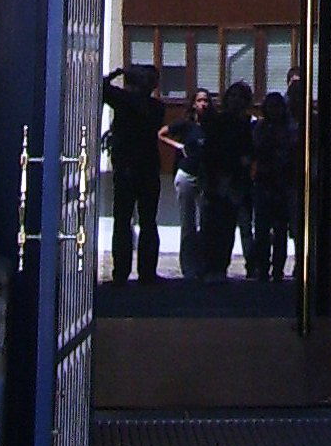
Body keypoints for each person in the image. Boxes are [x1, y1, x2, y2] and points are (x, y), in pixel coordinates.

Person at [100, 64, 166, 283]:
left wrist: (118, 74)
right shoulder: (154, 106)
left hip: (136, 167)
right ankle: (137, 272)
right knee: (136, 221)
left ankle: (128, 272)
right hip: (138, 167)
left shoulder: (136, 103)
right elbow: (98, 89)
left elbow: (100, 87)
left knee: (132, 221)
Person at [199, 80, 254, 278]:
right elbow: (209, 151)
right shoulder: (217, 121)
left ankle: (221, 267)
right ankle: (208, 267)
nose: (236, 100)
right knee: (211, 225)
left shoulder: (246, 125)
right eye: (233, 96)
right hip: (215, 179)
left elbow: (248, 153)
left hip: (235, 181)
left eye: (241, 97)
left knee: (229, 226)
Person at [161, 85, 212, 278]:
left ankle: (205, 264)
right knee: (188, 223)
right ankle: (188, 267)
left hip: (206, 177)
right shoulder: (186, 125)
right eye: (199, 101)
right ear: (193, 104)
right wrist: (178, 146)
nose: (203, 104)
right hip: (187, 176)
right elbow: (162, 134)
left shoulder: (212, 126)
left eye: (206, 100)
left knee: (207, 222)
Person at [252, 88, 295, 282]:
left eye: (278, 107)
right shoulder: (261, 128)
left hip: (283, 181)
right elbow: (256, 149)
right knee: (261, 228)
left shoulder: (289, 129)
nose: (274, 111)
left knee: (280, 229)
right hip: (264, 181)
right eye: (271, 107)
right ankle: (262, 266)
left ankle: (278, 268)